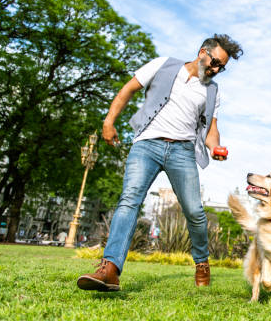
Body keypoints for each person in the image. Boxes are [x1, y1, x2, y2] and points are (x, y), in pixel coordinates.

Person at [77, 34, 243, 292]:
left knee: (195, 213)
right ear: (202, 52)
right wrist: (108, 122)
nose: (216, 70)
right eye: (215, 63)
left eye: (222, 67)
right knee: (129, 200)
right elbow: (128, 89)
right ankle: (109, 269)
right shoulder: (163, 65)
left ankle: (201, 262)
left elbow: (211, 128)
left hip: (183, 151)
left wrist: (215, 147)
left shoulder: (212, 91)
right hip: (147, 144)